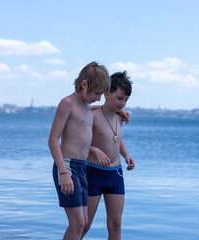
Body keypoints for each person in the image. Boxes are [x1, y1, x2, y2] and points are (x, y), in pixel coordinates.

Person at [48, 61, 110, 240]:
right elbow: (52, 140)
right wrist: (63, 172)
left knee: (83, 222)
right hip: (67, 166)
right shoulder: (67, 103)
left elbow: (92, 109)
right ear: (84, 84)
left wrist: (118, 112)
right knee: (77, 223)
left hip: (82, 168)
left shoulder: (86, 107)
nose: (98, 98)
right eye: (97, 93)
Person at [82, 71, 135, 240]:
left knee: (115, 224)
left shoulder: (120, 117)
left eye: (126, 99)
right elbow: (80, 144)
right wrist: (94, 151)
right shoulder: (93, 116)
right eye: (119, 98)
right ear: (106, 94)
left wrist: (126, 155)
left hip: (116, 174)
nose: (123, 103)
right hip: (94, 173)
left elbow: (116, 139)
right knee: (85, 224)